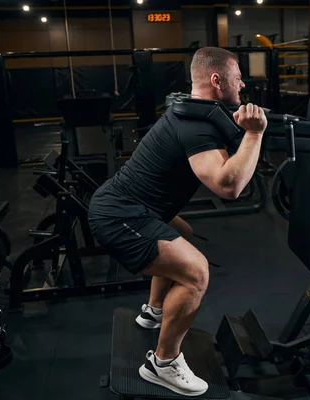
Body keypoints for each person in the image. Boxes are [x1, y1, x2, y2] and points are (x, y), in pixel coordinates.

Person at [88, 47, 268, 396]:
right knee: (196, 272)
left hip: (129, 206)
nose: (242, 83)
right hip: (118, 216)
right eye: (237, 76)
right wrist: (255, 134)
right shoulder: (197, 127)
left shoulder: (191, 107)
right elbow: (229, 186)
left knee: (180, 234)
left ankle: (154, 311)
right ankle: (164, 362)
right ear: (216, 80)